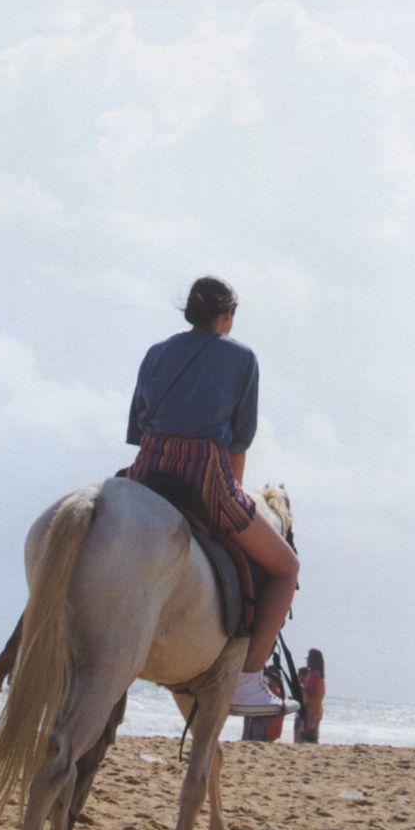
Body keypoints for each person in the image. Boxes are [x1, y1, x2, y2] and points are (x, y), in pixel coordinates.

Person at [127, 276, 299, 716]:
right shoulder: (241, 358)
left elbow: (138, 430)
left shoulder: (155, 353)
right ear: (227, 316)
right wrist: (233, 495)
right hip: (204, 475)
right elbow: (238, 443)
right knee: (286, 568)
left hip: (147, 470)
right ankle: (248, 680)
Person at [294, 648, 326, 743]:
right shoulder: (315, 674)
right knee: (308, 736)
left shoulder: (314, 675)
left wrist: (300, 682)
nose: (307, 661)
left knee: (305, 737)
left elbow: (308, 692)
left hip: (310, 710)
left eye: (309, 659)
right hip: (312, 710)